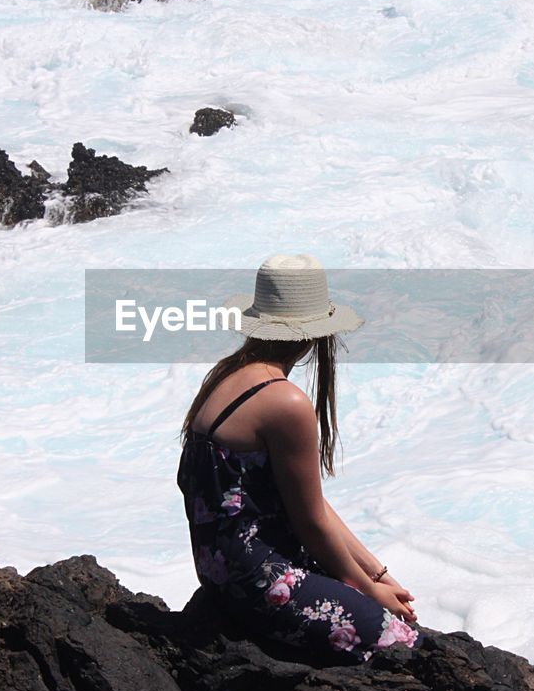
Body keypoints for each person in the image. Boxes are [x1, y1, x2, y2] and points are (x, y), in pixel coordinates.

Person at [176, 253, 422, 662]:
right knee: (403, 646)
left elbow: (309, 504)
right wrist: (367, 590)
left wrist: (376, 575)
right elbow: (310, 523)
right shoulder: (284, 401)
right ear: (314, 332)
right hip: (256, 579)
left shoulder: (227, 374)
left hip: (223, 573)